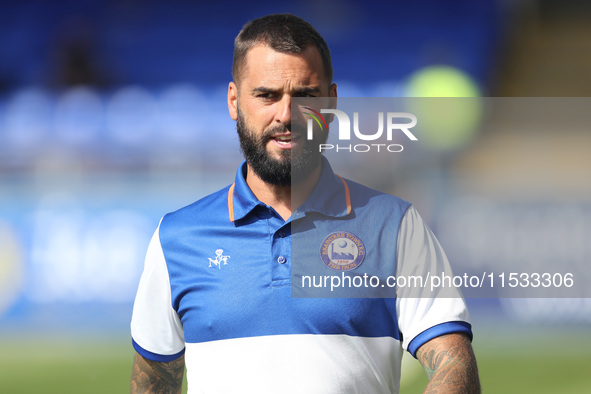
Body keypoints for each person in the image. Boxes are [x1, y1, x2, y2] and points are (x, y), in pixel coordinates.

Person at [130, 13, 480, 394]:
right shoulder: (176, 238)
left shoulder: (395, 226)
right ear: (234, 101)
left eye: (306, 96)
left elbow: (454, 362)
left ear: (330, 101)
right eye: (266, 95)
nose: (286, 115)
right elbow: (153, 385)